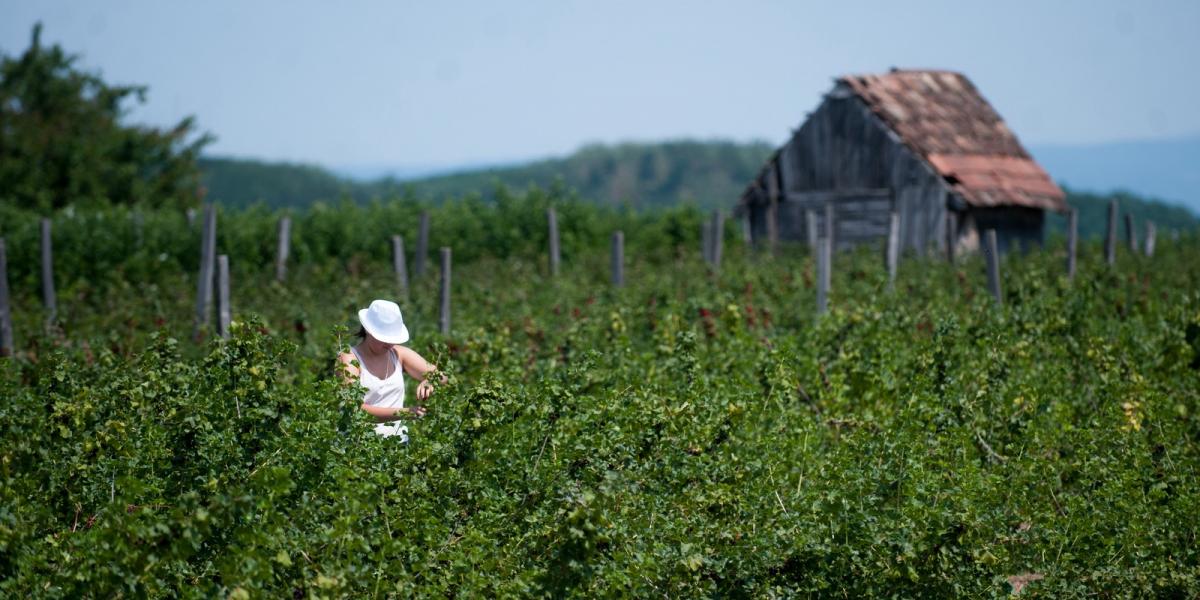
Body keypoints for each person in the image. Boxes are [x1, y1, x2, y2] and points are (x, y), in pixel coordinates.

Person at [337, 299, 438, 440]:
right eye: (383, 338)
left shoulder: (398, 354)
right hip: (358, 446)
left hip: (397, 445)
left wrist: (429, 380)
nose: (389, 344)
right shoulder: (349, 359)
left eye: (392, 338)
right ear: (367, 330)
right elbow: (354, 410)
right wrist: (405, 413)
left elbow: (443, 376)